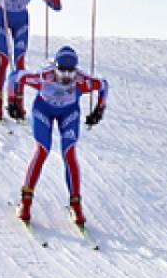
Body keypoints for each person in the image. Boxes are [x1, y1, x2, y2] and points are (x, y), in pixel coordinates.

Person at [9, 45, 108, 227]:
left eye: (71, 72)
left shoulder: (81, 81)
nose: (66, 77)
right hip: (43, 111)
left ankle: (76, 205)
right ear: (55, 68)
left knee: (69, 154)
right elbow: (15, 77)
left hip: (69, 114)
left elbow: (103, 84)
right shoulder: (43, 78)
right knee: (42, 151)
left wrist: (99, 110)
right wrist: (12, 101)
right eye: (62, 71)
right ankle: (26, 202)